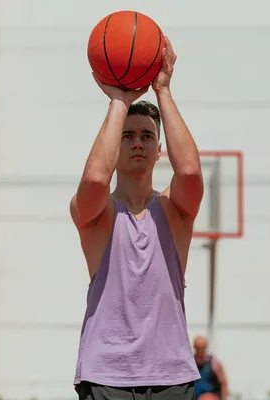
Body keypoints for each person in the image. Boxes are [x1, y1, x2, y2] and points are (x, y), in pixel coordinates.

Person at [70, 37, 204, 400]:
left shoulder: (174, 210)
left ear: (159, 150)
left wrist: (162, 90)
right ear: (115, 146)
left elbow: (190, 171)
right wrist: (119, 101)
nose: (138, 143)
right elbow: (97, 178)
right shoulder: (96, 214)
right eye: (127, 136)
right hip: (106, 374)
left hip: (171, 375)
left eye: (147, 136)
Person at [193, 335, 230, 400]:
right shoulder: (191, 363)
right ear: (195, 347)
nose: (200, 351)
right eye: (198, 348)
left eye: (202, 348)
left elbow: (224, 383)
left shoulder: (214, 363)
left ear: (206, 347)